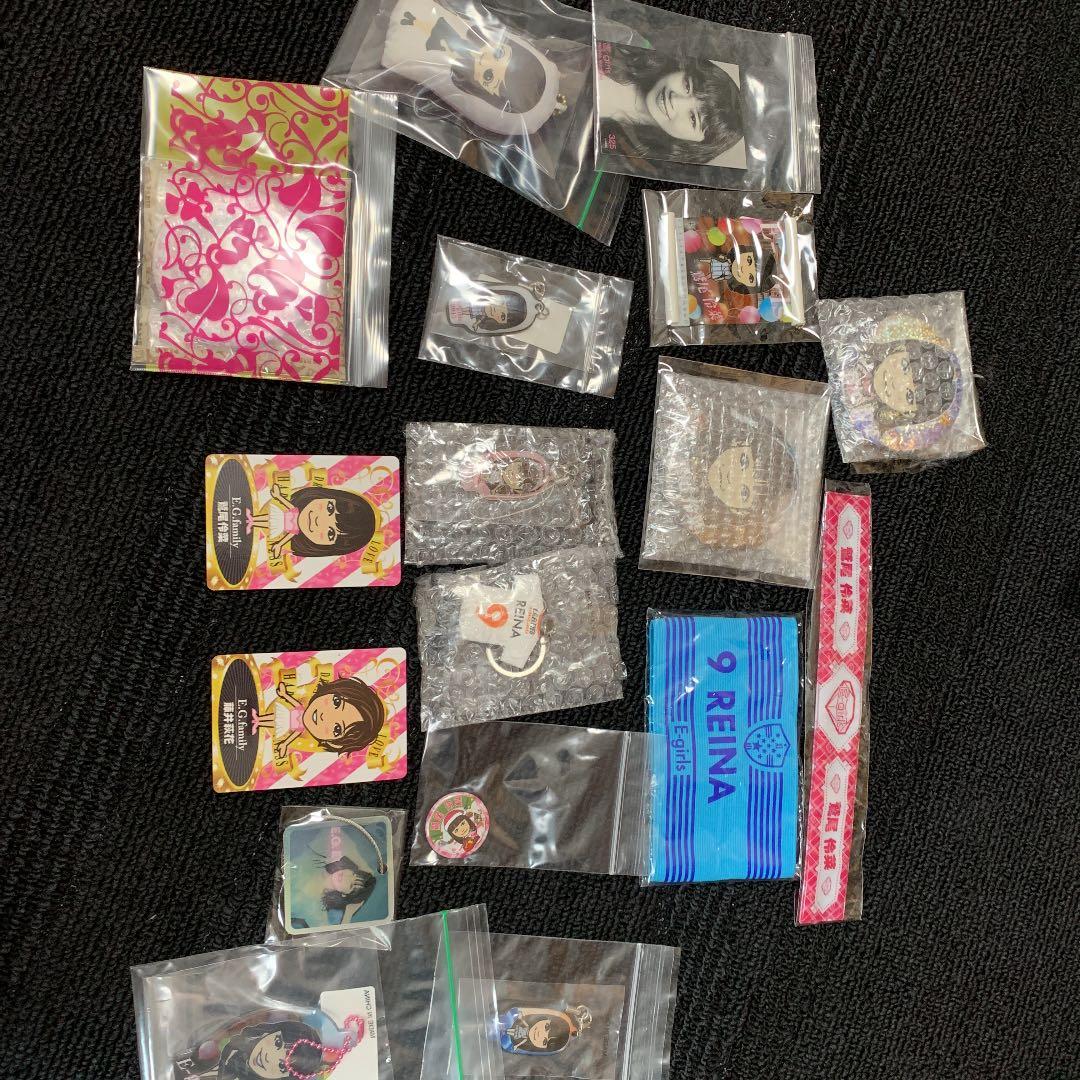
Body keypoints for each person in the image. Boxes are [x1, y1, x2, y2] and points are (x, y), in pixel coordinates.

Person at [598, 44, 742, 165]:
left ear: (693, 146)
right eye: (687, 86)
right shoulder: (625, 46)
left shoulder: (627, 163)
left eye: (693, 118)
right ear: (683, 68)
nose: (675, 100)